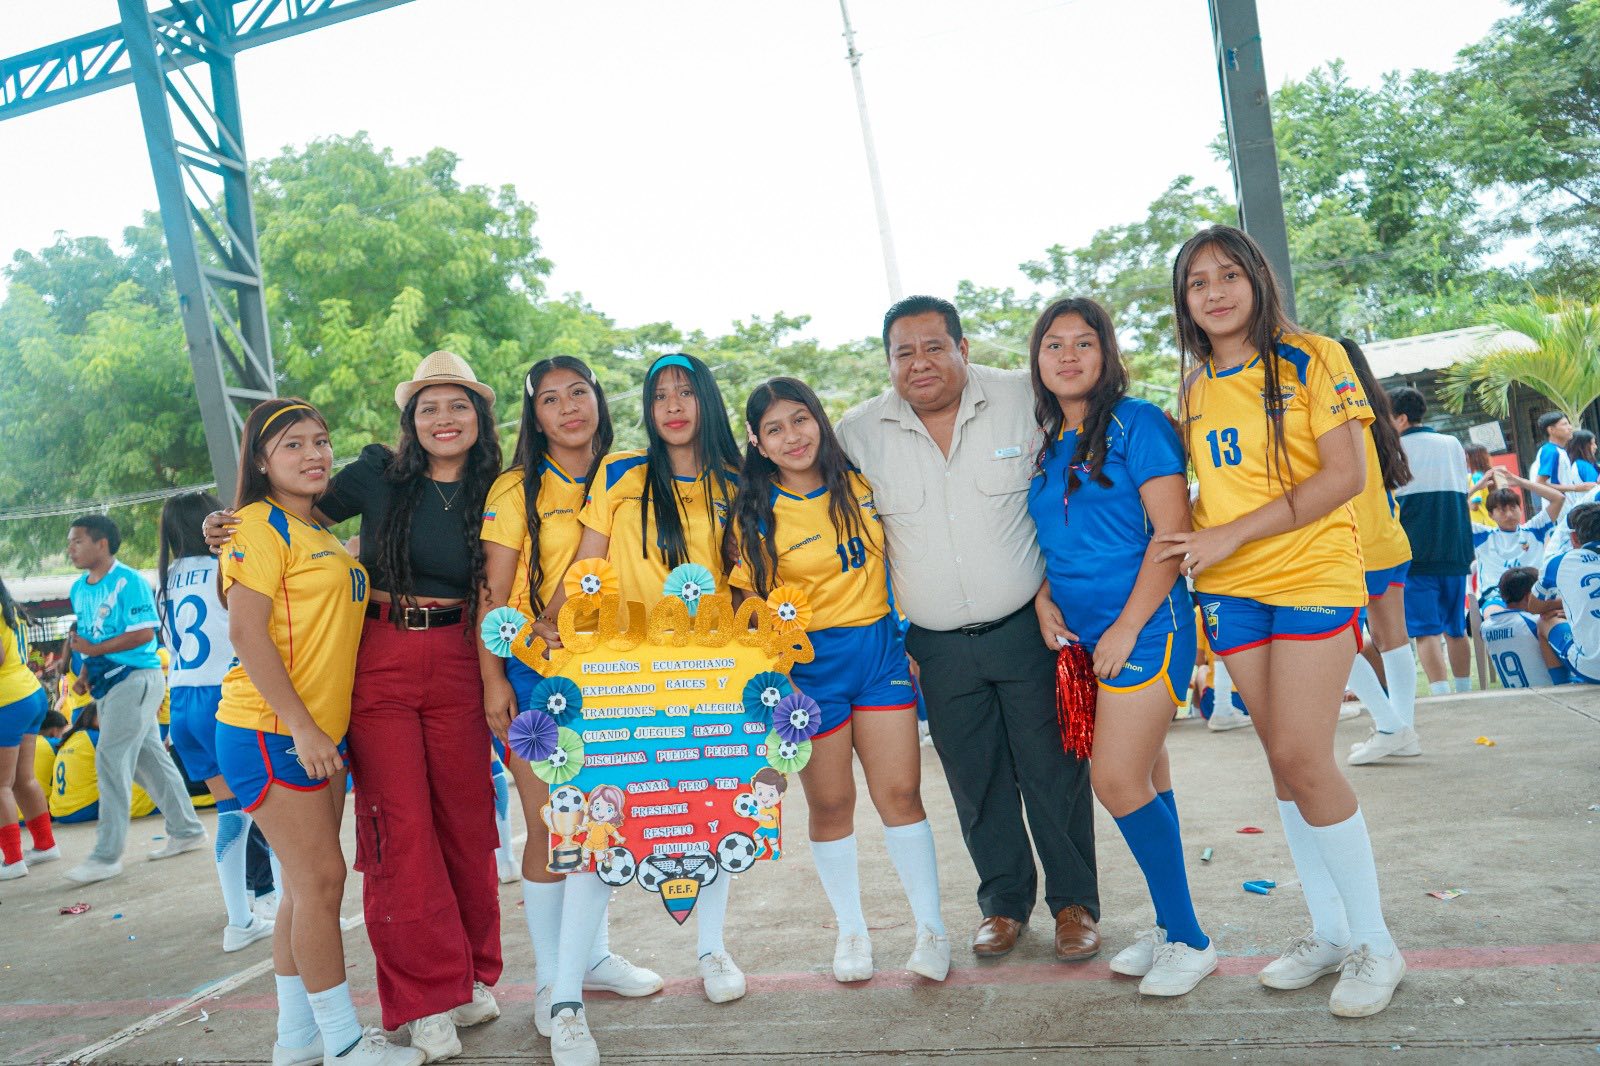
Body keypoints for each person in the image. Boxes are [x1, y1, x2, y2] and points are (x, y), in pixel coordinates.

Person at [209, 354, 507, 1055]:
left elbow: (307, 528)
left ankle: (466, 976)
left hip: (461, 656)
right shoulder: (377, 472)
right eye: (428, 406)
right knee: (399, 832)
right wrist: (225, 526)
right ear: (410, 419)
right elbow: (287, 508)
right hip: (381, 661)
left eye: (458, 405)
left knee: (468, 824)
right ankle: (423, 1001)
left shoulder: (501, 486)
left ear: (480, 417)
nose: (444, 419)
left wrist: (496, 676)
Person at [1158, 224, 1404, 1017]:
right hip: (1230, 589)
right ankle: (1329, 931)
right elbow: (1202, 492)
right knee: (1280, 761)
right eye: (1198, 282)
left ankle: (1376, 943)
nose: (1216, 292)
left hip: (1311, 574)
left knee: (1304, 753)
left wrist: (1231, 532)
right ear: (1185, 301)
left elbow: (1344, 475)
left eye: (1229, 275)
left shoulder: (1314, 356)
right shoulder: (1193, 389)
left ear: (1258, 280)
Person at [836, 295, 1101, 966]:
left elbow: (1072, 482)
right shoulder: (858, 433)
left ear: (962, 348)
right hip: (935, 645)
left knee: (1054, 772)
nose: (919, 363)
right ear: (888, 361)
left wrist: (1055, 590)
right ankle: (1004, 905)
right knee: (975, 782)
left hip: (1027, 628)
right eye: (903, 352)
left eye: (933, 347)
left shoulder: (1024, 398)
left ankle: (1074, 905)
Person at [537, 353, 747, 1066]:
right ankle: (566, 1001)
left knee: (712, 816)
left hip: (708, 678)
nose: (674, 406)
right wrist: (548, 624)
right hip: (618, 683)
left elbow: (744, 582)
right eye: (661, 396)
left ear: (707, 400)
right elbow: (586, 566)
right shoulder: (621, 473)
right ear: (648, 409)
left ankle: (712, 951)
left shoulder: (736, 481)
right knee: (597, 836)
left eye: (686, 392)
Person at [213, 397, 419, 1066]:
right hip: (271, 729)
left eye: (321, 441)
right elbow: (246, 632)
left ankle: (297, 1038)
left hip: (315, 733)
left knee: (303, 891)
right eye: (294, 445)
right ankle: (346, 1044)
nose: (315, 455)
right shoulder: (255, 526)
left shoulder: (315, 530)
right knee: (322, 883)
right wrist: (303, 728)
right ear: (260, 461)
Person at [726, 376, 948, 986]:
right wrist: (778, 679)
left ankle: (931, 929)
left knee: (900, 794)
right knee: (830, 803)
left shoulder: (861, 484)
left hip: (878, 656)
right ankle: (852, 931)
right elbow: (748, 605)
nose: (792, 437)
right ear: (757, 442)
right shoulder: (755, 513)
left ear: (819, 421)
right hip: (809, 670)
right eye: (774, 429)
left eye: (800, 420)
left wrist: (909, 635)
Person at [1022, 299, 1211, 995]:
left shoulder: (1140, 423)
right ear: (1038, 360)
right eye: (1054, 344)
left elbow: (1171, 536)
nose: (1068, 356)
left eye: (1084, 342)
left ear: (1107, 353)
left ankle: (1190, 939)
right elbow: (1060, 539)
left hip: (1149, 629)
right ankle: (1169, 924)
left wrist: (1128, 627)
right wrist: (1044, 597)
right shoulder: (1047, 441)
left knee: (1116, 781)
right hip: (1086, 640)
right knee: (1149, 780)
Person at [477, 355, 661, 1050]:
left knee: (601, 820)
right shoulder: (516, 487)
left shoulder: (630, 472)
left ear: (598, 398)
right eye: (550, 399)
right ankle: (553, 984)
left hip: (615, 677)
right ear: (535, 416)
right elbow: (493, 594)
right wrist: (494, 679)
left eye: (578, 392)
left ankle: (592, 958)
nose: (568, 408)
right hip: (539, 677)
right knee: (552, 827)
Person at [159, 490, 277, 952]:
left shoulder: (166, 579)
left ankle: (240, 918)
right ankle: (285, 903)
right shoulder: (226, 564)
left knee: (232, 813)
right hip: (224, 692)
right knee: (278, 807)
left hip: (182, 699)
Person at [63, 514, 206, 885]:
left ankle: (106, 856)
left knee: (110, 759)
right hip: (106, 683)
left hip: (136, 679)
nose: (70, 549)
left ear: (102, 543)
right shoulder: (79, 589)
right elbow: (90, 638)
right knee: (149, 761)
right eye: (70, 542)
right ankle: (187, 830)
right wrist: (83, 675)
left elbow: (145, 634)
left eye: (77, 541)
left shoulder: (129, 582)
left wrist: (94, 650)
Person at [1337, 340, 1421, 767]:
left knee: (1334, 640)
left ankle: (1390, 726)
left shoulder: (1338, 415)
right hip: (1389, 541)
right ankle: (1402, 731)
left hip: (1354, 545)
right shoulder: (1378, 416)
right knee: (1394, 640)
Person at [1388, 387, 1474, 696]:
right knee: (1456, 628)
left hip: (1415, 551)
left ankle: (1441, 696)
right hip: (1455, 548)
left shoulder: (1392, 449)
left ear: (1401, 418)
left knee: (1426, 631)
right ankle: (1465, 692)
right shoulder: (1452, 443)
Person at [1, 576, 56, 879]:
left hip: (7, 700)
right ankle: (45, 845)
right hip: (29, 694)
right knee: (23, 779)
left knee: (1, 785)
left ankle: (13, 860)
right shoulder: (9, 606)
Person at [1472, 471, 1564, 606]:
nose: (1509, 514)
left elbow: (1558, 498)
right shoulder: (1482, 535)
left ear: (1520, 509)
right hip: (1496, 598)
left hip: (1533, 596)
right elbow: (1448, 511)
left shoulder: (1534, 529)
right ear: (1491, 515)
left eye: (1513, 508)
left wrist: (1520, 482)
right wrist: (1476, 488)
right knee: (1494, 613)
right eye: (1502, 510)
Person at [1537, 502, 1600, 684]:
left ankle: (1563, 687)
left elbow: (1535, 606)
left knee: (1544, 622)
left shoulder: (1560, 561)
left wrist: (1568, 603)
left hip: (1594, 670)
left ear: (1574, 538)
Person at [1482, 567, 1568, 688]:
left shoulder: (1485, 627)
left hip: (1515, 695)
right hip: (1549, 693)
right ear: (1530, 597)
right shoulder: (1536, 622)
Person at [1532, 411, 1577, 491]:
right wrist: (1576, 488)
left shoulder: (1560, 450)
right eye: (1564, 424)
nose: (1570, 427)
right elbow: (1540, 484)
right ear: (1551, 430)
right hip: (1559, 499)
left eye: (1569, 424)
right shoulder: (1550, 451)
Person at [1465, 444, 1494, 527]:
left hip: (1481, 525)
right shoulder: (1483, 474)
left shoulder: (1476, 477)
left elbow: (1474, 506)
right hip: (1487, 523)